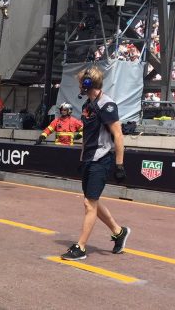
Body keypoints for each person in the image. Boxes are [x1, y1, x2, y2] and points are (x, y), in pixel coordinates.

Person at [61, 66, 130, 261]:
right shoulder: (88, 106)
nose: (80, 86)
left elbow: (118, 135)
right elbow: (87, 136)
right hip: (89, 158)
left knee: (88, 203)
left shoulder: (107, 105)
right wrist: (82, 158)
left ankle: (80, 247)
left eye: (82, 82)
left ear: (88, 84)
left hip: (102, 158)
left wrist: (119, 165)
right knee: (93, 201)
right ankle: (119, 232)